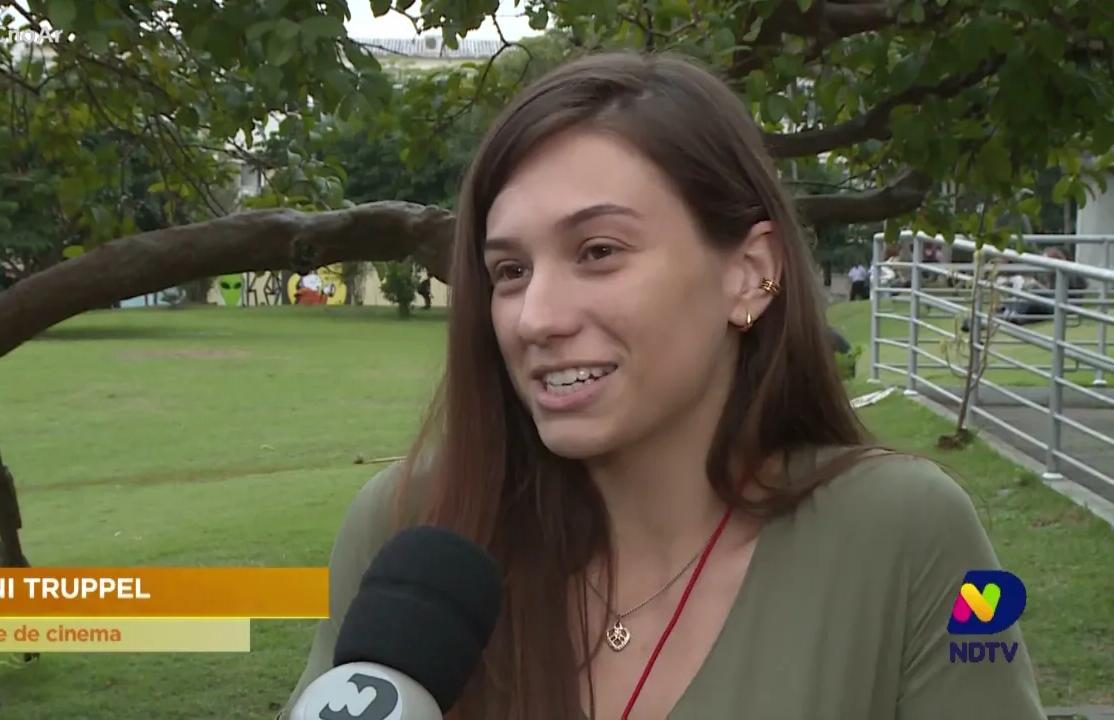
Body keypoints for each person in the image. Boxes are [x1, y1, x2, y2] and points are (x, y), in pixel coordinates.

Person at [283, 53, 1045, 720]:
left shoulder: (903, 536)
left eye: (599, 251)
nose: (535, 318)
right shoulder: (412, 528)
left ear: (751, 271)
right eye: (509, 271)